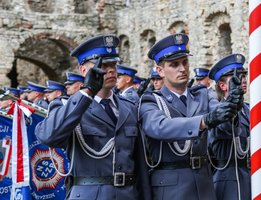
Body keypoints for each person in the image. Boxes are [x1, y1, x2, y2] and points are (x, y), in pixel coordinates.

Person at [35, 35, 150, 200]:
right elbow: (47, 136)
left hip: (128, 194)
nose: (110, 70)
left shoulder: (129, 107)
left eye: (113, 64)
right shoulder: (68, 107)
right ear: (83, 71)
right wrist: (87, 91)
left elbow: (140, 164)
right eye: (102, 65)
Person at [138, 33, 243, 200]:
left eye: (185, 62)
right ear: (160, 70)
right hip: (171, 187)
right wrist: (204, 121)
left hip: (203, 184)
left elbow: (224, 128)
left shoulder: (203, 96)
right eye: (174, 64)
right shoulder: (151, 100)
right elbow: (160, 127)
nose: (182, 68)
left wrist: (232, 105)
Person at [207, 53, 250, 200]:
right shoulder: (216, 111)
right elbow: (226, 126)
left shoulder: (249, 109)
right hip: (228, 177)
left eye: (244, 75)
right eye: (237, 77)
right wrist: (232, 103)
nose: (243, 80)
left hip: (249, 174)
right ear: (223, 85)